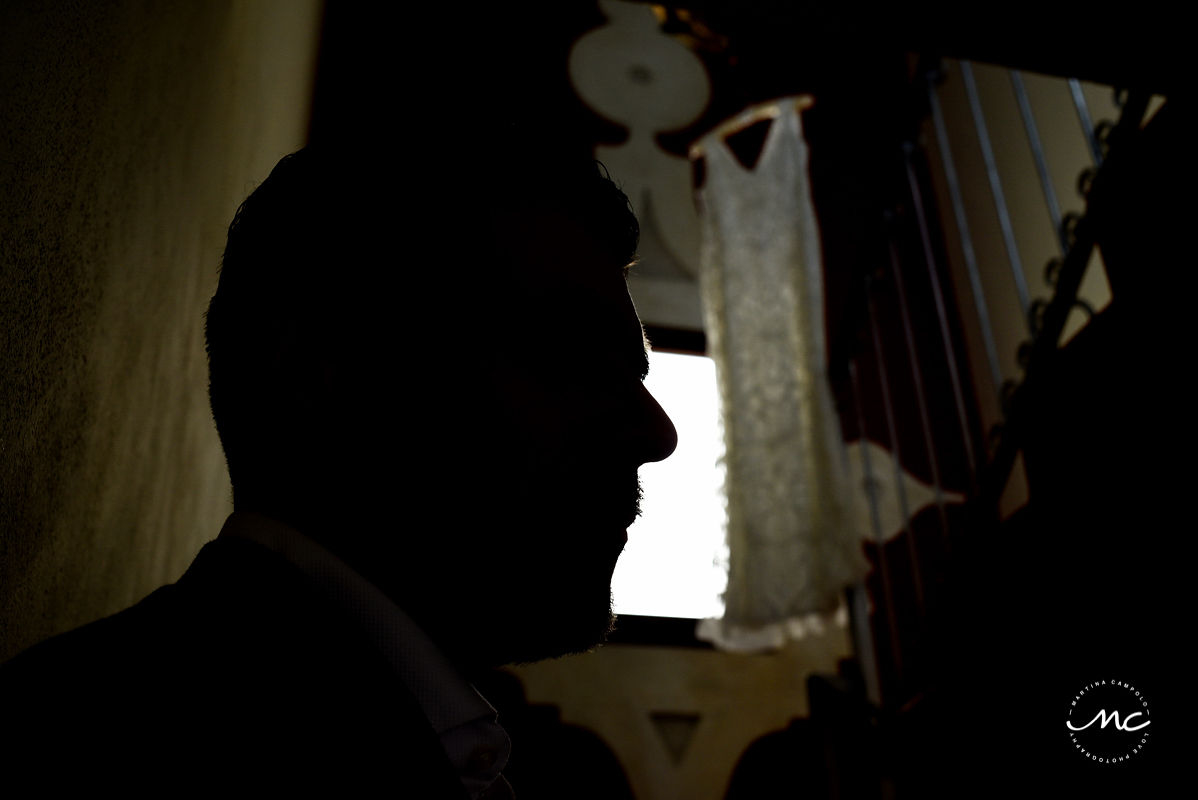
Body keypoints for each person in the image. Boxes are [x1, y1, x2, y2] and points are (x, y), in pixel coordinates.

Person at [0, 142, 677, 797]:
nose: (658, 434)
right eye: (571, 359)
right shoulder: (94, 740)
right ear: (320, 372)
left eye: (635, 379)